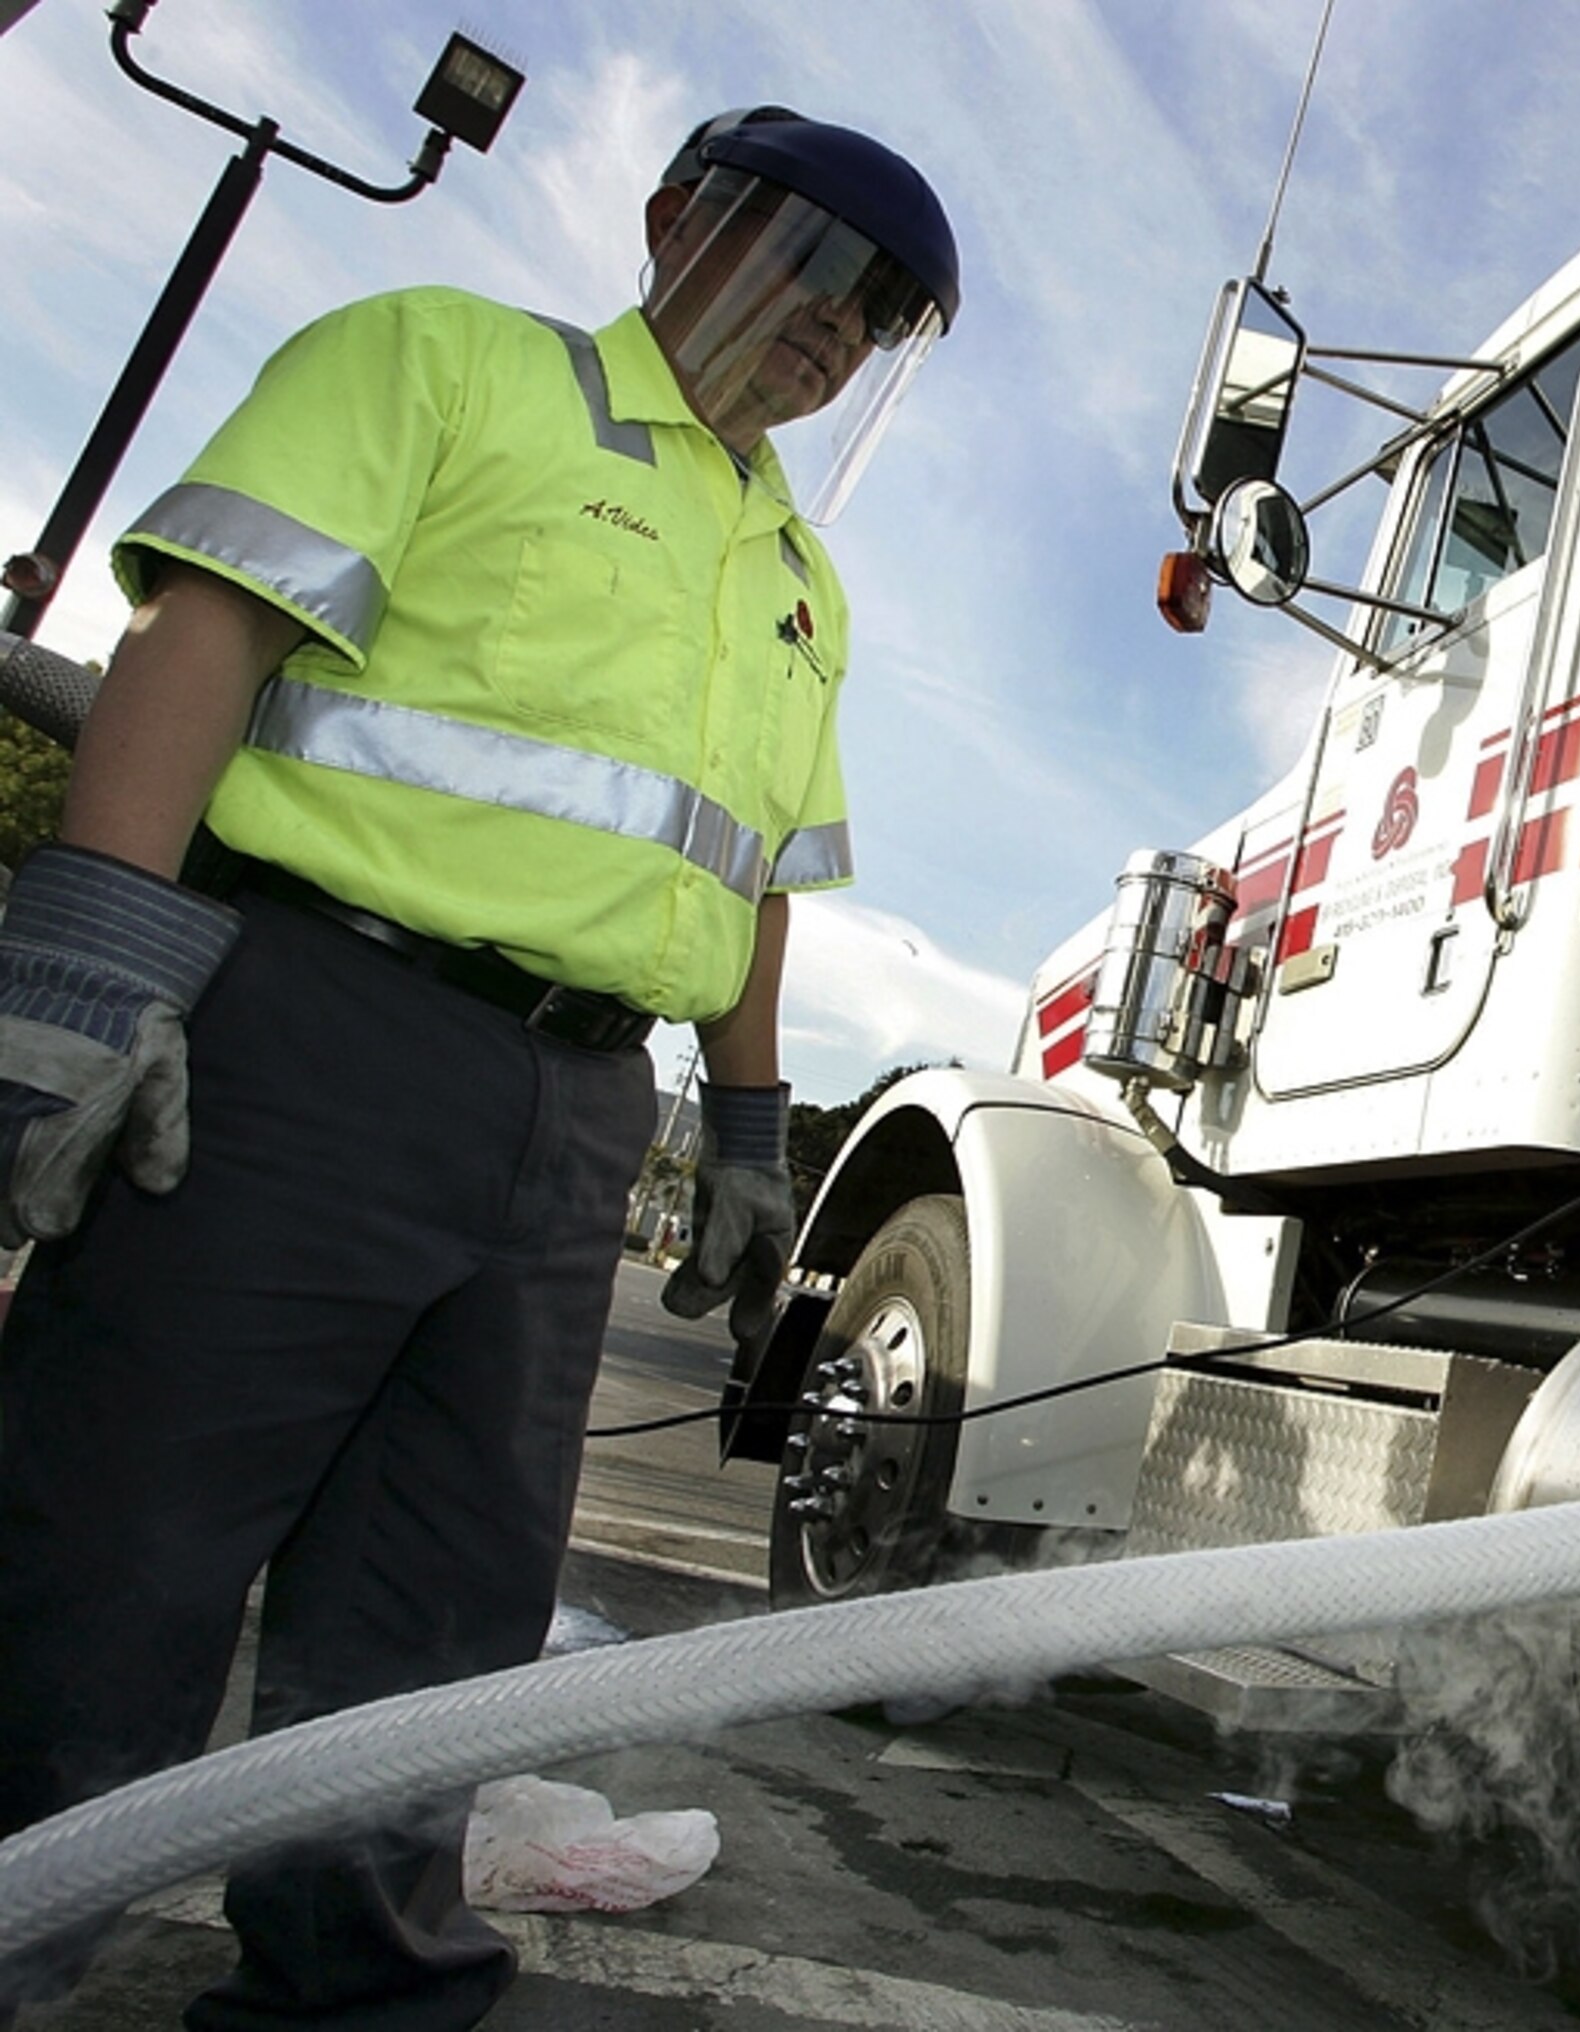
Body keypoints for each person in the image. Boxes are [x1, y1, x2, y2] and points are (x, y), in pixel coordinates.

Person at [0, 106, 957, 2027]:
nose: (834, 327)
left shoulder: (798, 577)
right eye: (811, 263)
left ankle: (355, 1996)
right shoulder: (448, 361)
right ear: (680, 218)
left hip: (575, 1112)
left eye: (880, 313)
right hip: (312, 1038)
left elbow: (757, 875)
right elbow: (207, 635)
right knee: (118, 1556)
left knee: (440, 1610)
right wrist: (96, 960)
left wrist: (754, 1127)